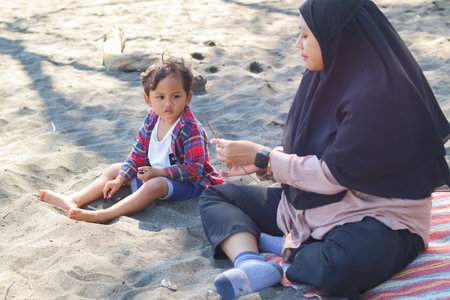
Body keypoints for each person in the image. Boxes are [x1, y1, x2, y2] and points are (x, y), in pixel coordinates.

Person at [198, 0, 450, 299]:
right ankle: (250, 262)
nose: (297, 44)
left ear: (335, 36)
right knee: (217, 195)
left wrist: (264, 156)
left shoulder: (378, 94)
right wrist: (265, 163)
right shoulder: (326, 72)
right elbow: (321, 147)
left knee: (339, 268)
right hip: (316, 206)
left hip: (378, 218)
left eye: (306, 35)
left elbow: (334, 176)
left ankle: (281, 248)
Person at [40, 56, 224, 224]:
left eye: (176, 96)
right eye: (160, 97)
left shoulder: (190, 128)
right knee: (115, 168)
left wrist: (159, 173)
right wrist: (120, 179)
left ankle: (105, 215)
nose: (168, 103)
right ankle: (75, 199)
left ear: (188, 98)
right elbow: (138, 153)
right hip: (154, 173)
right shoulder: (152, 119)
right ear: (148, 100)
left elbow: (194, 169)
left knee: (155, 185)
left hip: (189, 184)